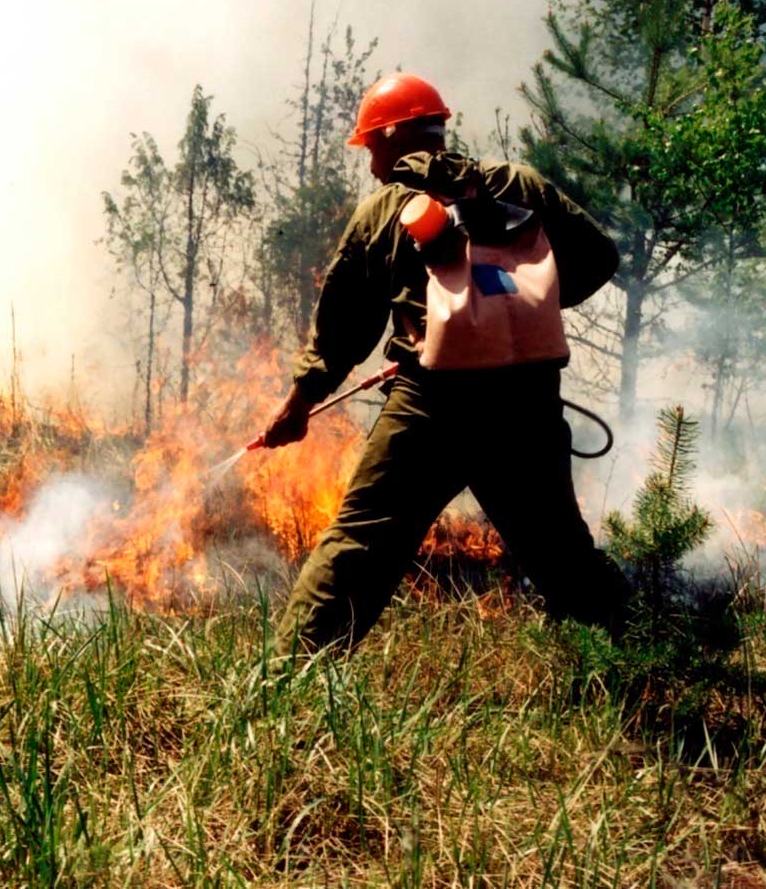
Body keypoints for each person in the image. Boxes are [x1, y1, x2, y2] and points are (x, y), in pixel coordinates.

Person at [261, 73, 630, 655]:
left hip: (430, 409)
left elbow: (342, 330)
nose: (369, 162)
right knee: (561, 555)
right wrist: (523, 306)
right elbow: (599, 257)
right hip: (526, 405)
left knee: (361, 546)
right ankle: (636, 661)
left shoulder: (384, 209)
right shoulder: (516, 184)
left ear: (391, 136)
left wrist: (298, 405)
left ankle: (285, 679)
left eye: (370, 146)